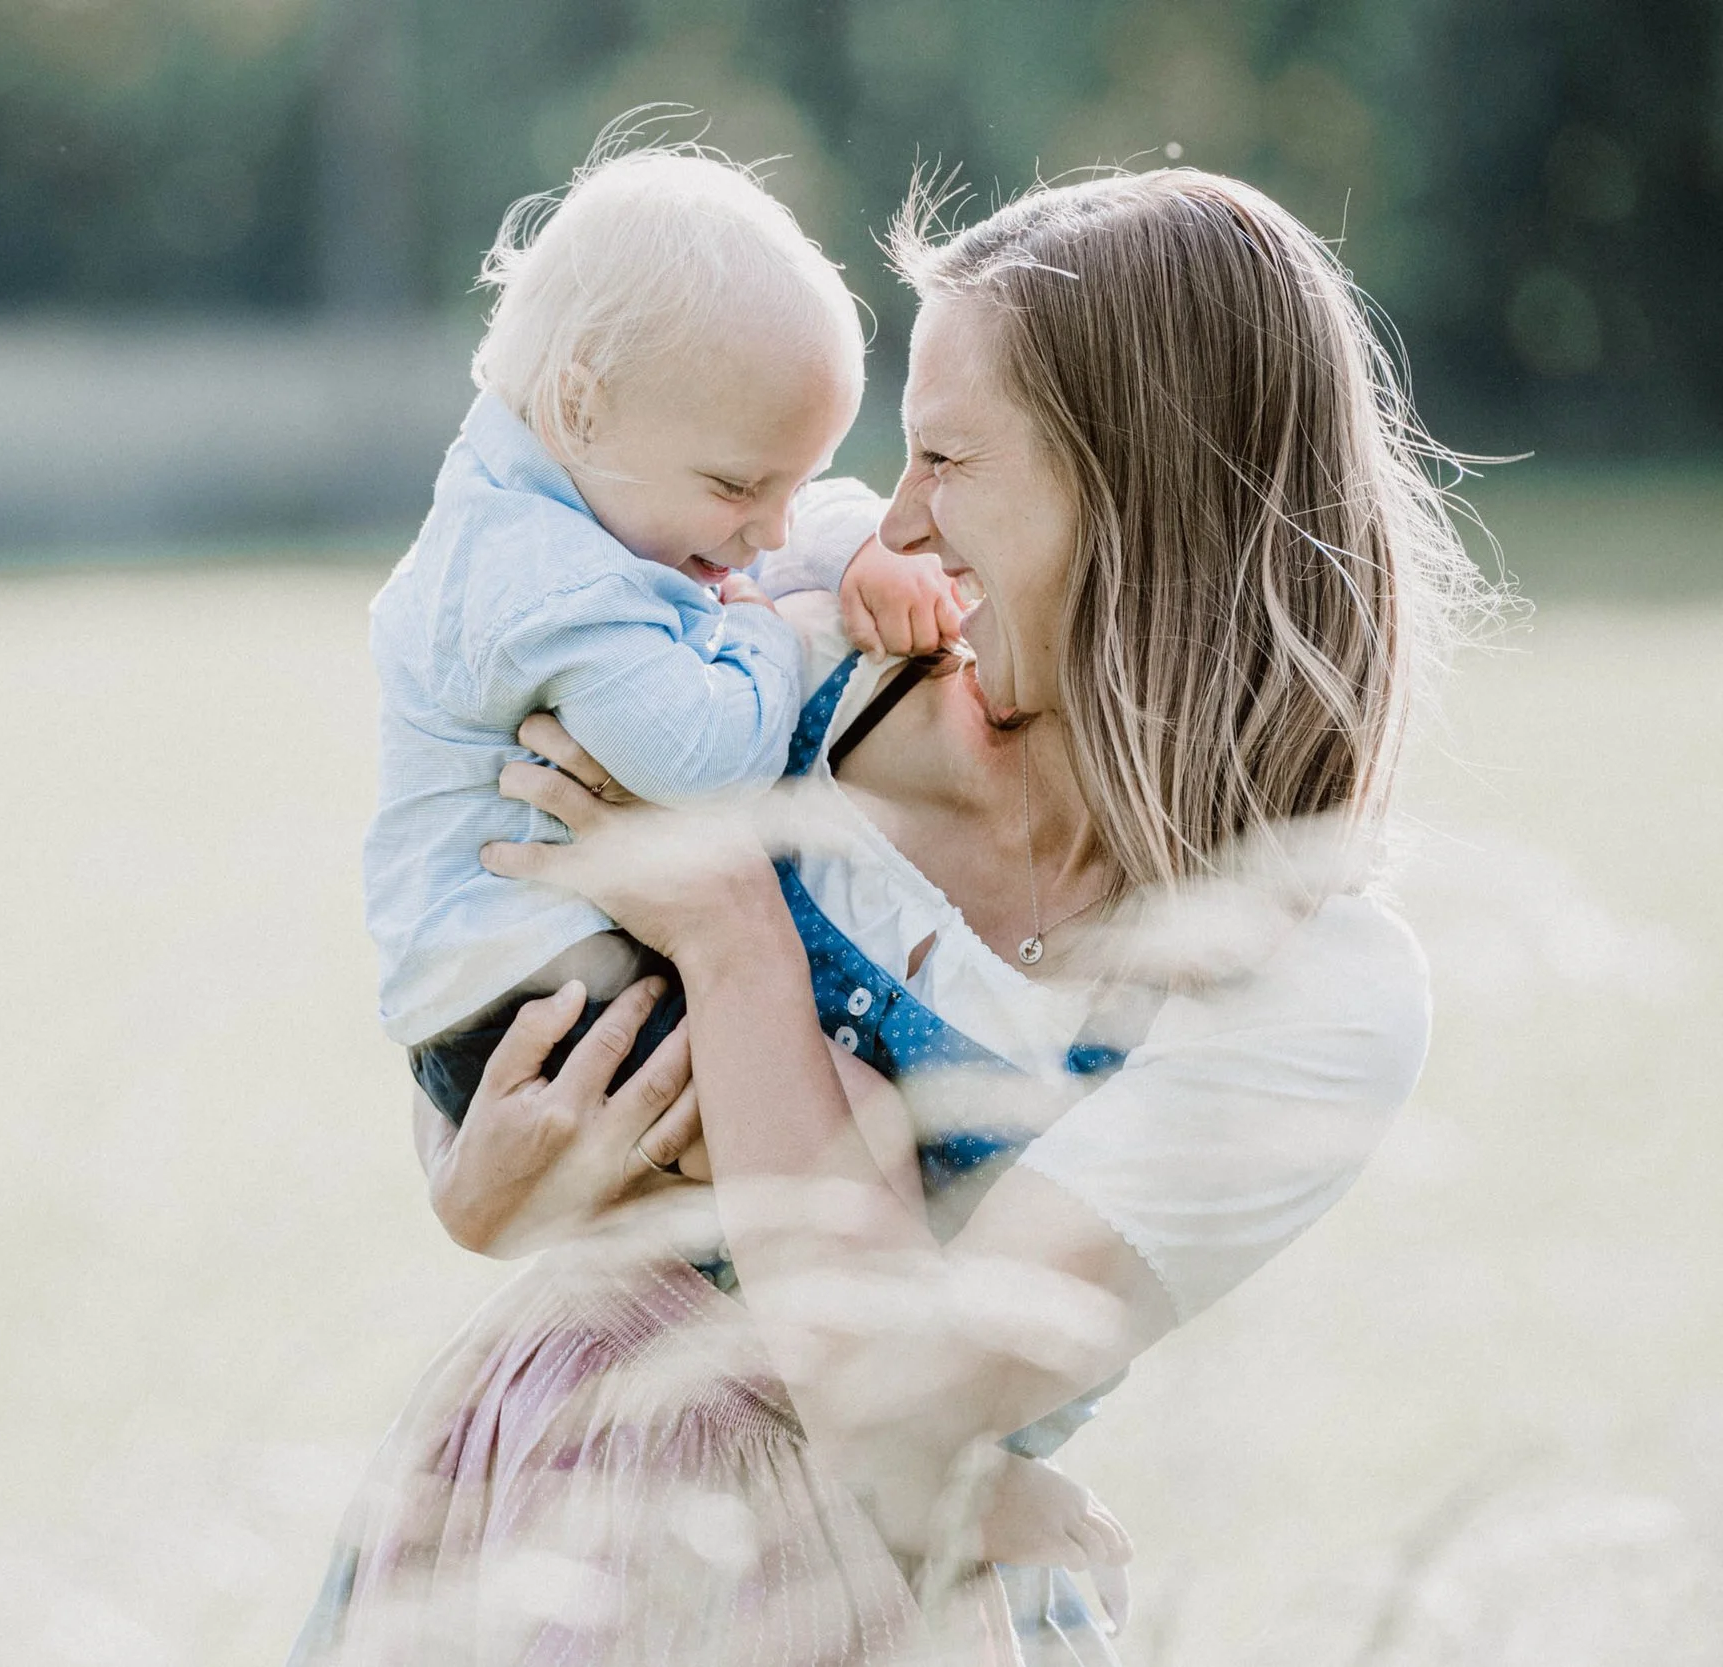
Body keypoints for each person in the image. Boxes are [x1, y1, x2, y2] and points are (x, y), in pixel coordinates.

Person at [294, 166, 1482, 1667]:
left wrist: (736, 931)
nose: (894, 515)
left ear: (1135, 490)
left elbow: (904, 1393)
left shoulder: (1307, 987)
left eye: (944, 456)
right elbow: (492, 961)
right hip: (560, 1475)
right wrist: (474, 1192)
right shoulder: (782, 673)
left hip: (880, 1602)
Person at [364, 133, 960, 1128]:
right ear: (581, 406)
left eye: (796, 485)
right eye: (737, 485)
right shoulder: (542, 587)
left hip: (561, 974)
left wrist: (857, 542)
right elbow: (703, 759)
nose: (769, 528)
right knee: (847, 1112)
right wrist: (772, 632)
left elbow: (762, 534)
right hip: (531, 1008)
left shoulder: (595, 488)